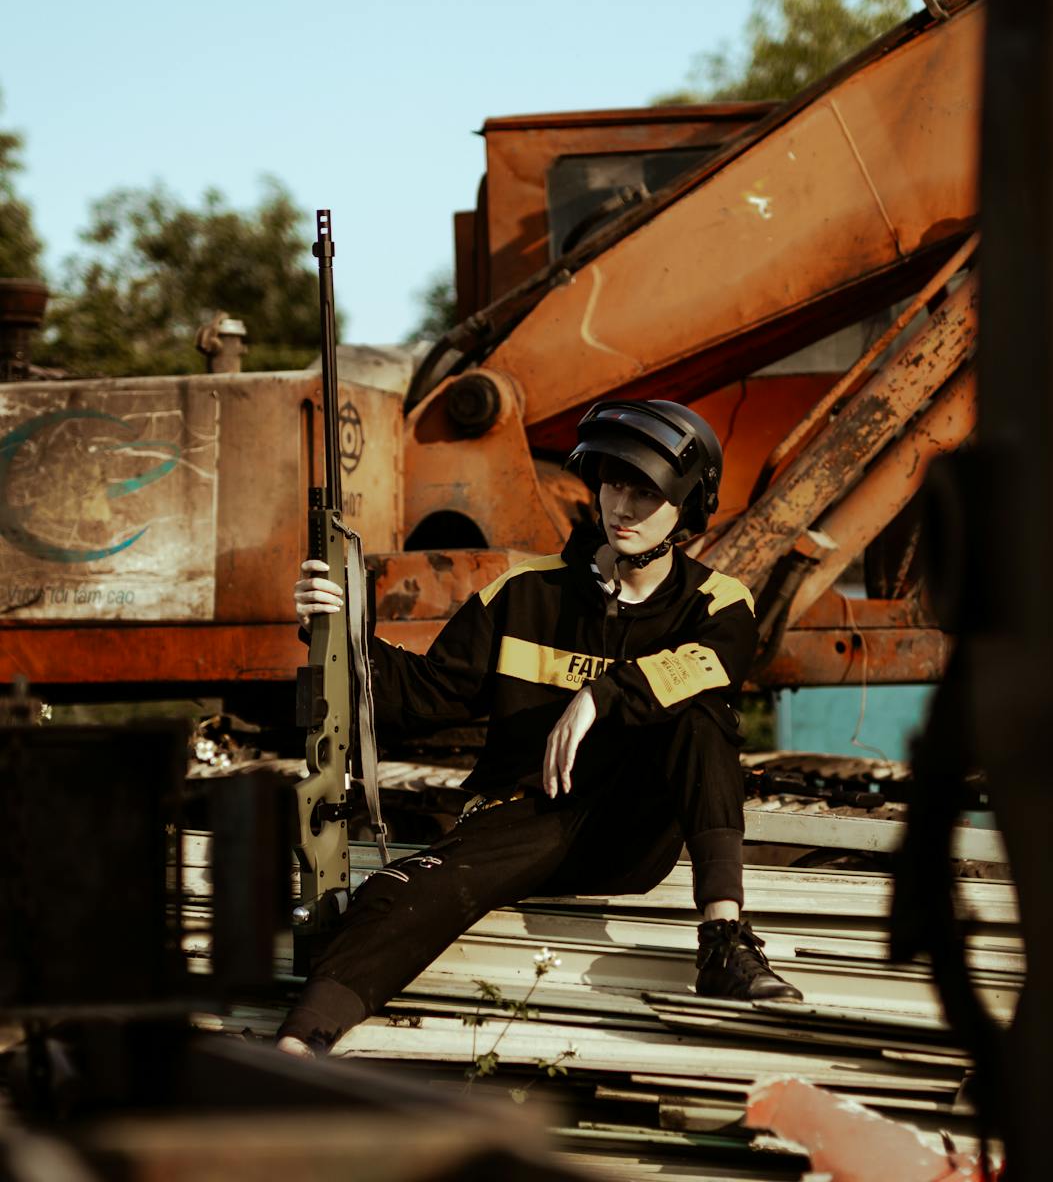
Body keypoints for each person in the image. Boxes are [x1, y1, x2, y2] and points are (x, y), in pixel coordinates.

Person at [275, 399, 800, 1057]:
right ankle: (299, 1047)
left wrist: (602, 695)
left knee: (701, 710)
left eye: (646, 492)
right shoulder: (524, 592)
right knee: (399, 894)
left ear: (687, 508)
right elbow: (427, 694)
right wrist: (340, 633)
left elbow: (715, 664)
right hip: (522, 818)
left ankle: (724, 943)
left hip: (629, 831)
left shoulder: (717, 602)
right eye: (614, 484)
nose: (623, 507)